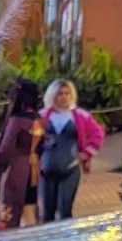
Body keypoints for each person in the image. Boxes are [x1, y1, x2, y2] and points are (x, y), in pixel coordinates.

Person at [36, 78, 104, 224]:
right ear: (52, 95)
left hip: (70, 169)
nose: (64, 97)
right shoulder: (42, 115)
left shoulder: (81, 116)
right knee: (47, 213)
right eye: (60, 93)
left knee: (65, 211)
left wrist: (86, 153)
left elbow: (98, 133)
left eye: (67, 93)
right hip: (46, 171)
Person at [0, 76, 42, 232]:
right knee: (29, 209)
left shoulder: (17, 120)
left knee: (8, 211)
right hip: (34, 169)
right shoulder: (39, 120)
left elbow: (6, 147)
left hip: (15, 169)